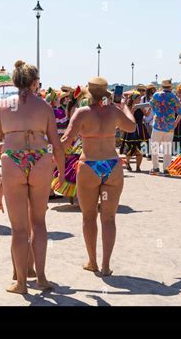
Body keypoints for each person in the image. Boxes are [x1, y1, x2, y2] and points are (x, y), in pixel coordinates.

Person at [0, 60, 65, 295]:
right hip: (41, 159)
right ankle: (40, 277)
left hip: (13, 160)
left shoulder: (3, 105)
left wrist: (6, 149)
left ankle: (21, 283)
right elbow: (56, 145)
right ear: (33, 82)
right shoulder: (44, 107)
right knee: (39, 223)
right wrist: (62, 172)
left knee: (18, 228)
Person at [61, 76, 136, 277]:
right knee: (109, 218)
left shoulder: (82, 113)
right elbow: (131, 126)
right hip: (111, 165)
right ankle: (105, 265)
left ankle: (92, 262)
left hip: (90, 166)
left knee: (88, 216)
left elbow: (67, 140)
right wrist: (124, 106)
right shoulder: (114, 112)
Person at [149, 79, 181, 175]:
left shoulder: (156, 95)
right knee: (167, 149)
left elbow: (151, 105)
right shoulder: (174, 97)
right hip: (169, 127)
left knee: (155, 147)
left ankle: (155, 168)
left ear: (162, 86)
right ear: (170, 86)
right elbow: (180, 113)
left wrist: (156, 111)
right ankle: (166, 169)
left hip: (158, 125)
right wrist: (175, 123)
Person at [119, 91, 150, 172]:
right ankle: (128, 163)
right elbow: (128, 116)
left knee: (141, 148)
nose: (140, 99)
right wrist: (133, 109)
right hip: (131, 127)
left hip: (140, 128)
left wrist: (150, 107)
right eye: (138, 97)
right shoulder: (128, 106)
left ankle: (138, 167)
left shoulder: (141, 106)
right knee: (130, 147)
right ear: (134, 99)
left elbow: (146, 115)